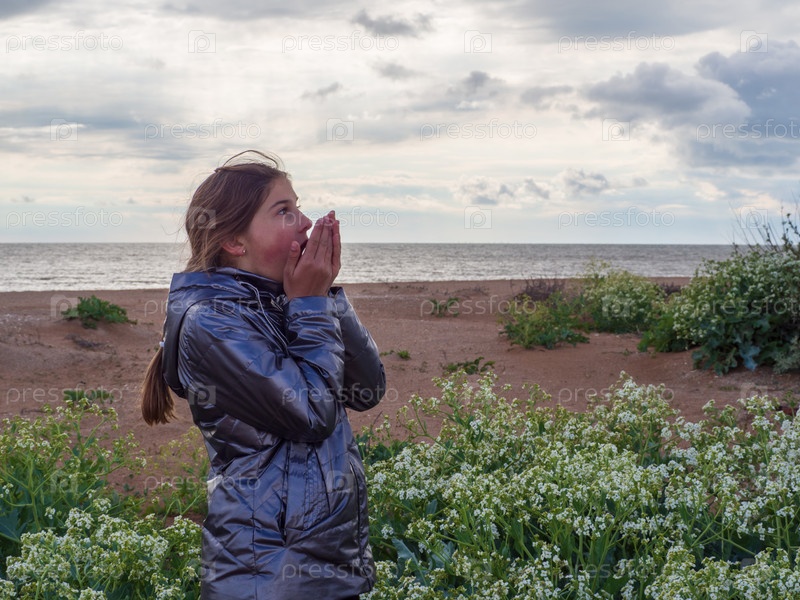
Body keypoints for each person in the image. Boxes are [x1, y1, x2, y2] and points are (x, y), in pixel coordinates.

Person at [141, 150, 386, 599]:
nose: (306, 222)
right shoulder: (210, 323)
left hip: (328, 565)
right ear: (235, 241)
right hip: (266, 573)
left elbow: (367, 389)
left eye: (299, 207)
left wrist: (323, 295)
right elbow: (311, 414)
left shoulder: (284, 303)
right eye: (284, 211)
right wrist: (310, 304)